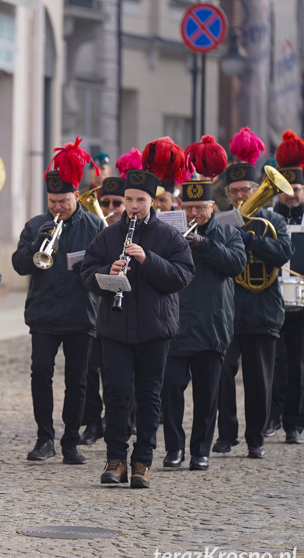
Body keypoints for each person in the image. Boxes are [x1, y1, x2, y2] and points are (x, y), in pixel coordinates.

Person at [81, 144, 195, 488]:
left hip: (155, 328)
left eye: (139, 201)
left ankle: (142, 461)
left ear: (151, 201)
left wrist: (147, 259)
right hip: (115, 328)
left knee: (149, 395)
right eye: (129, 200)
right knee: (116, 394)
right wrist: (108, 272)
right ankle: (115, 459)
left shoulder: (169, 236)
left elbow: (182, 276)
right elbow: (87, 275)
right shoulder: (109, 234)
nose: (132, 206)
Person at [13, 165, 104, 465]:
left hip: (81, 314)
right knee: (41, 374)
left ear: (76, 196)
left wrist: (88, 269)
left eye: (63, 201)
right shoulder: (37, 224)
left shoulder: (94, 225)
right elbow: (19, 264)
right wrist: (37, 242)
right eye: (53, 201)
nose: (58, 207)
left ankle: (70, 441)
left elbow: (107, 264)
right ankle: (44, 438)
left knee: (77, 381)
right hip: (44, 314)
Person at [161, 177, 246, 471]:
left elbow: (237, 264)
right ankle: (174, 449)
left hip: (211, 326)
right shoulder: (170, 234)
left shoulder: (227, 233)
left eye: (200, 207)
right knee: (170, 389)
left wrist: (205, 245)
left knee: (207, 395)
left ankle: (200, 451)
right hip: (176, 324)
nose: (193, 213)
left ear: (212, 206)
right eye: (188, 208)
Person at [215, 152, 294, 459]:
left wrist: (249, 241)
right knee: (222, 373)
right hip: (228, 310)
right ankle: (226, 434)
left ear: (256, 188)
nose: (240, 195)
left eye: (246, 190)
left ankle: (255, 438)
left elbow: (283, 252)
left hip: (263, 309)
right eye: (234, 191)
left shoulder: (273, 219)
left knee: (259, 379)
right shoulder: (221, 221)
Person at [80, 176, 127, 445]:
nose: (110, 208)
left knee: (116, 375)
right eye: (105, 202)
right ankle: (93, 422)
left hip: (120, 314)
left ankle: (118, 421)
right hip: (90, 312)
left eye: (117, 203)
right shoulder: (95, 230)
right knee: (88, 370)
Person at [270, 164, 304, 444]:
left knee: (296, 364)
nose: (291, 194)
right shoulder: (269, 219)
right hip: (272, 300)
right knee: (273, 362)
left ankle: (293, 421)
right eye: (286, 190)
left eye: (297, 189)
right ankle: (272, 416)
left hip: (302, 306)